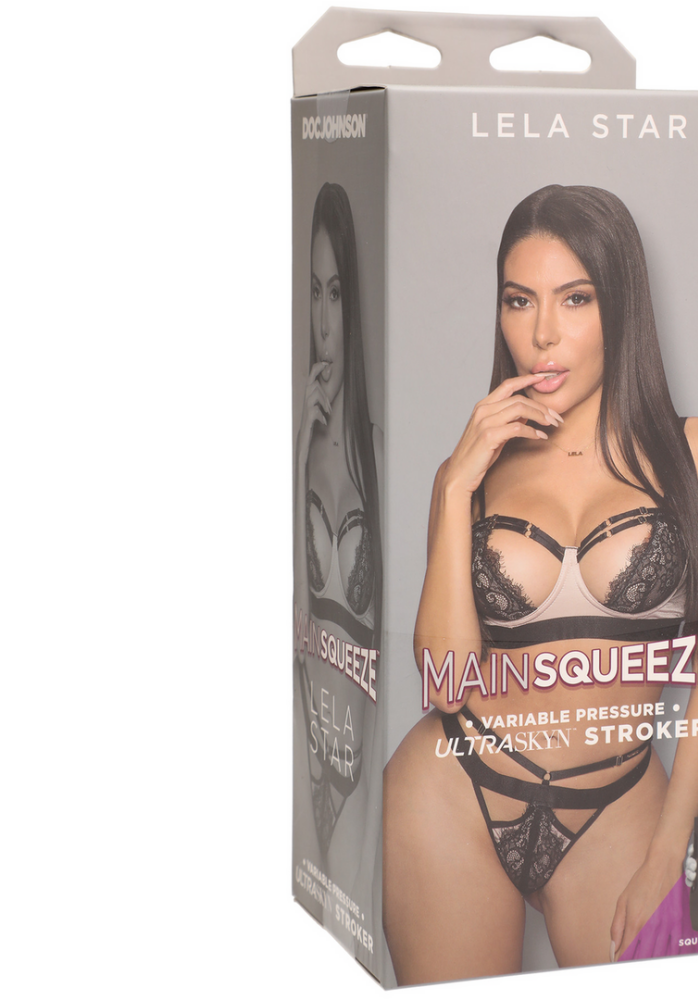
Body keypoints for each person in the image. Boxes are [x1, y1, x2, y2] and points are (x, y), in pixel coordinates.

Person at [383, 184, 698, 984]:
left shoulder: (695, 455)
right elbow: (445, 683)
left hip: (618, 803)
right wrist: (454, 490)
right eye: (520, 301)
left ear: (621, 305)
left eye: (574, 299)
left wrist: (670, 849)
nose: (541, 334)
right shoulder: (469, 475)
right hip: (453, 791)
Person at [293, 182, 382, 928]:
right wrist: (299, 449)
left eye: (336, 294)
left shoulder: (378, 454)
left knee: (351, 923)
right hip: (307, 730)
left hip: (365, 745)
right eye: (314, 294)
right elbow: (295, 615)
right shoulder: (300, 443)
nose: (324, 323)